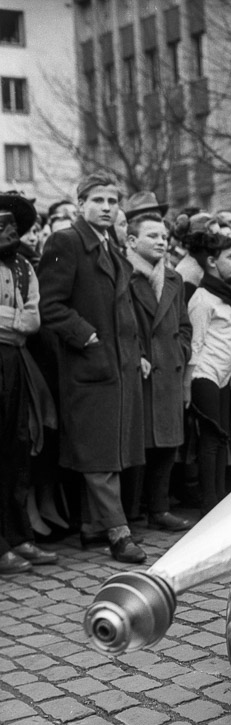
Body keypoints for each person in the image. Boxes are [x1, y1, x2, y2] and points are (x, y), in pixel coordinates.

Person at [38, 172, 146, 563]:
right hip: (89, 366)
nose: (106, 207)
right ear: (81, 203)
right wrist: (86, 337)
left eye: (112, 201)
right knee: (99, 455)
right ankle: (119, 534)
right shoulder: (64, 242)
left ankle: (91, 528)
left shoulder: (110, 244)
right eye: (98, 200)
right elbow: (49, 306)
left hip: (117, 367)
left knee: (111, 450)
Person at [0, 193, 59, 573]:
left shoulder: (24, 266)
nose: (7, 231)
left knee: (17, 449)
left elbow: (32, 319)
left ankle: (20, 536)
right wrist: (13, 319)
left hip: (14, 362)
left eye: (11, 226)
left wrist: (12, 320)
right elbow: (15, 319)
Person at [126, 207, 193, 532]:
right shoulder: (124, 275)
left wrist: (179, 351)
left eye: (164, 236)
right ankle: (132, 511)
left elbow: (183, 323)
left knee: (167, 442)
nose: (161, 242)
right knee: (138, 442)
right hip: (139, 368)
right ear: (131, 240)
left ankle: (159, 508)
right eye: (153, 236)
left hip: (169, 367)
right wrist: (136, 354)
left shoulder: (173, 278)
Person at [185, 232, 231, 512]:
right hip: (204, 374)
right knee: (211, 436)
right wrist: (188, 384)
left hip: (223, 375)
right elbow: (196, 343)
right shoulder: (202, 299)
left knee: (221, 438)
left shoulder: (224, 296)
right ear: (211, 262)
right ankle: (210, 502)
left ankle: (220, 497)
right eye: (229, 257)